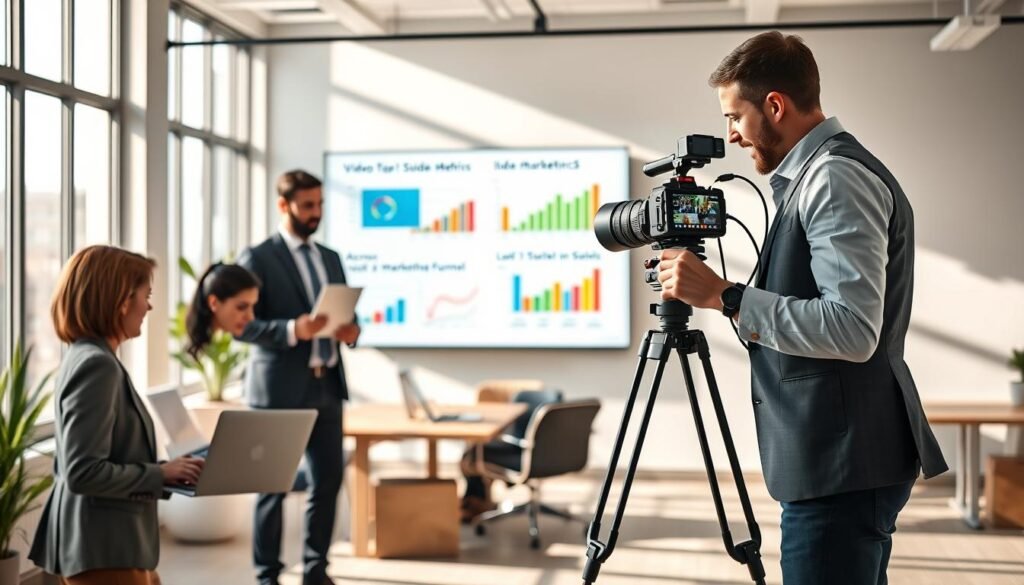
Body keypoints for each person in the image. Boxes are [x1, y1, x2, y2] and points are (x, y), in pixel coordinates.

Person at [656, 32, 947, 585]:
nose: (732, 134)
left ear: (774, 105)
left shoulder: (834, 178)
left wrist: (726, 296)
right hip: (843, 459)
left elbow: (853, 328)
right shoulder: (819, 176)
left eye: (733, 116)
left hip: (843, 466)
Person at [30, 245, 204, 585]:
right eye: (145, 295)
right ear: (120, 300)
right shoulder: (97, 366)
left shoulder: (88, 356)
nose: (149, 306)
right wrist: (159, 474)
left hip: (107, 545)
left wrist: (166, 474)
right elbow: (83, 472)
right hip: (103, 547)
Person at [236, 169, 359, 585]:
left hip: (327, 384)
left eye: (320, 205)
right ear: (283, 205)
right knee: (272, 487)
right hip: (278, 390)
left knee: (328, 483)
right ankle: (267, 576)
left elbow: (347, 317)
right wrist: (292, 330)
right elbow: (242, 326)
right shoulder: (257, 258)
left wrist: (351, 331)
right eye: (308, 206)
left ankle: (315, 570)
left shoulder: (330, 258)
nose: (316, 213)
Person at [185, 262, 262, 359]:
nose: (251, 317)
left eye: (253, 306)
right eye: (241, 307)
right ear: (214, 303)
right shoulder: (202, 353)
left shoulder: (230, 338)